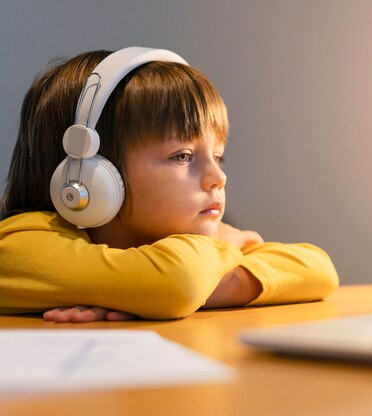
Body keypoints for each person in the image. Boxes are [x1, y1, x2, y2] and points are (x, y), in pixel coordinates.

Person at [0, 48, 339, 323]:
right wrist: (171, 287)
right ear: (89, 174)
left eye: (218, 157)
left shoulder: (173, 237)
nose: (217, 178)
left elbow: (318, 268)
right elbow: (181, 282)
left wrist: (197, 288)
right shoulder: (20, 244)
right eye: (182, 156)